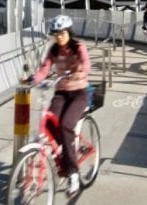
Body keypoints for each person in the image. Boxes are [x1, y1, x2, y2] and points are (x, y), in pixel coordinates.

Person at [25, 14, 91, 198]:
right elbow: (45, 68)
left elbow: (86, 64)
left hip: (79, 93)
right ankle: (65, 153)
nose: (59, 37)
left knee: (65, 125)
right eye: (56, 34)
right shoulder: (54, 50)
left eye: (62, 33)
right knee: (49, 125)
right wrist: (33, 79)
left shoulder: (79, 47)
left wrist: (80, 74)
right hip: (61, 92)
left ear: (69, 32)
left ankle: (73, 173)